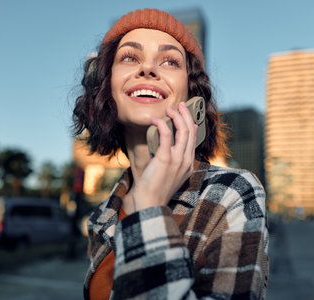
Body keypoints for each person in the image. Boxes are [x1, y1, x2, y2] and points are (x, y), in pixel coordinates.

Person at [72, 8, 269, 300]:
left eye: (170, 61)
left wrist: (149, 206)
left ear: (191, 96)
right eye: (129, 57)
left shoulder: (232, 192)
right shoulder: (101, 216)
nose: (148, 69)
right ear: (106, 87)